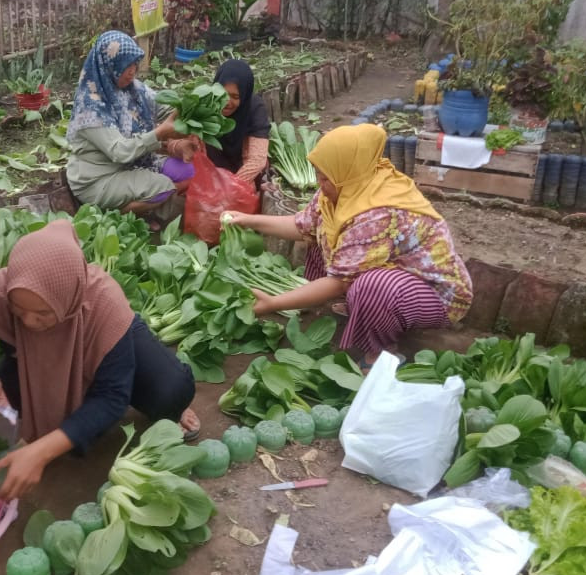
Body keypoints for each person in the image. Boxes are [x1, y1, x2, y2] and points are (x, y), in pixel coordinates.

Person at [0, 219, 199, 501]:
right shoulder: (3, 289)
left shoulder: (104, 302)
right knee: (8, 408)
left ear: (65, 299)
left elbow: (111, 399)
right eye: (18, 310)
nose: (29, 322)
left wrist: (41, 452)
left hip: (104, 334)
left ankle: (134, 376)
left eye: (42, 313)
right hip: (37, 355)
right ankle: (66, 385)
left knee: (168, 393)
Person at [224, 125, 472, 367]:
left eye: (324, 177)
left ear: (346, 170)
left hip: (435, 294)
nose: (320, 183)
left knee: (371, 287)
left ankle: (382, 355)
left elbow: (338, 281)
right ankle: (364, 309)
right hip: (398, 272)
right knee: (323, 233)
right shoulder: (347, 183)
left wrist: (274, 303)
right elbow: (303, 226)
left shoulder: (376, 212)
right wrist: (248, 220)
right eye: (319, 174)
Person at [65, 31, 199, 218]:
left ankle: (151, 205)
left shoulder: (132, 88)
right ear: (109, 64)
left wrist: (190, 115)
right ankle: (111, 215)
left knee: (190, 171)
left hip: (134, 163)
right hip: (99, 178)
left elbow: (164, 106)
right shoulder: (90, 107)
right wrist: (160, 134)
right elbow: (119, 151)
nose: (132, 71)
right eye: (125, 64)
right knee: (162, 187)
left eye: (135, 63)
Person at [207, 59, 271, 185]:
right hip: (208, 169)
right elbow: (178, 140)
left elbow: (256, 160)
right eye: (223, 94)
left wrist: (231, 187)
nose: (226, 102)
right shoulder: (205, 102)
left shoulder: (254, 108)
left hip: (241, 171)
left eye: (235, 97)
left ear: (244, 96)